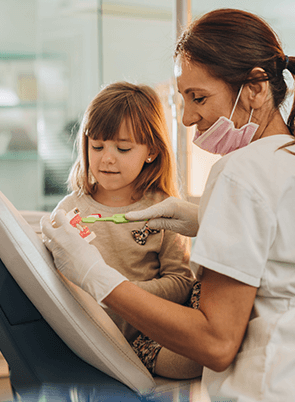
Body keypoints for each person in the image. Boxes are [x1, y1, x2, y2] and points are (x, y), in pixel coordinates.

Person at [41, 9, 295, 402]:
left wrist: (93, 274)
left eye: (198, 97)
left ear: (255, 87)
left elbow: (216, 344)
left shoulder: (241, 171)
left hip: (277, 386)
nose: (187, 118)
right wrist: (206, 220)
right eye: (183, 99)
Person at [44, 81, 202, 379]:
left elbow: (182, 282)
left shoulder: (165, 211)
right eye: (97, 146)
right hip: (89, 339)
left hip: (149, 337)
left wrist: (122, 293)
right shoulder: (68, 212)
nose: (107, 158)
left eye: (123, 148)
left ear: (152, 152)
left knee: (196, 361)